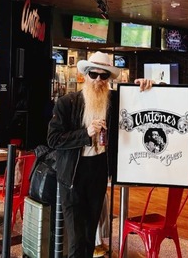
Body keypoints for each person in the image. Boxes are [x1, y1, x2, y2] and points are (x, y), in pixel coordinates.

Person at [47, 51, 152, 258]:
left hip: (98, 171)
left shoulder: (113, 102)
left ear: (108, 78)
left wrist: (148, 85)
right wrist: (85, 133)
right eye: (93, 74)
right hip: (73, 175)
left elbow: (141, 101)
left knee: (90, 235)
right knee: (76, 239)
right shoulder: (67, 103)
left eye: (103, 76)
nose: (98, 80)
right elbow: (53, 139)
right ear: (85, 75)